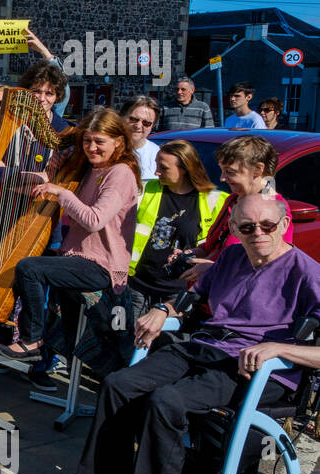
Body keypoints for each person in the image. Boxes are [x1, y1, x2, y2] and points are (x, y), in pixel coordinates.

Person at [75, 194, 320, 474]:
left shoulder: (306, 273)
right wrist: (164, 309)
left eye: (267, 225)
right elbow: (191, 299)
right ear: (235, 228)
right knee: (118, 384)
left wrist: (278, 347)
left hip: (260, 368)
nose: (258, 234)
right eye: (248, 227)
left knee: (165, 402)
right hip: (207, 346)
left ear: (283, 225)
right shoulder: (233, 257)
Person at [0, 108, 141, 365]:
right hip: (77, 256)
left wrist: (62, 193)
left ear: (118, 142)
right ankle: (37, 350)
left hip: (102, 266)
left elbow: (94, 220)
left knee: (29, 268)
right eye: (87, 141)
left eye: (99, 142)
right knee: (23, 263)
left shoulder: (120, 173)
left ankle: (31, 341)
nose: (91, 148)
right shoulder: (90, 168)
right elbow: (45, 184)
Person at [128, 139, 227, 318]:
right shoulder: (145, 189)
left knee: (170, 343)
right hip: (138, 286)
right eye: (156, 165)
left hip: (180, 293)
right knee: (130, 340)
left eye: (164, 168)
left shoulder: (216, 200)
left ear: (185, 168)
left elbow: (221, 248)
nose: (156, 172)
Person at [185, 135, 292, 280]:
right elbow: (216, 246)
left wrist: (213, 269)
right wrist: (194, 253)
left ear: (258, 170)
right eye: (222, 171)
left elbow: (270, 267)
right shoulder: (233, 200)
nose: (222, 178)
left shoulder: (274, 209)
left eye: (230, 172)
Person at [121, 96, 161, 180]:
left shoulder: (158, 155)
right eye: (133, 119)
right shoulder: (106, 149)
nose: (138, 126)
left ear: (152, 126)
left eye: (146, 123)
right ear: (122, 118)